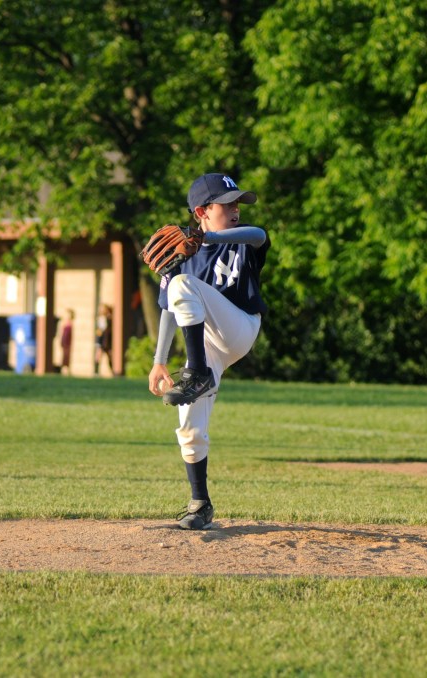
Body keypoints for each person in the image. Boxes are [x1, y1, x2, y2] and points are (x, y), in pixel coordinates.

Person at [147, 172, 269, 529]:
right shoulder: (180, 257)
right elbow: (170, 306)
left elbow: (259, 235)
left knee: (184, 284)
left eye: (237, 204)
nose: (236, 210)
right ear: (201, 209)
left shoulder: (241, 240)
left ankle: (197, 372)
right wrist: (159, 362)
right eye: (227, 204)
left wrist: (209, 237)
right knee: (188, 424)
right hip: (206, 344)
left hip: (240, 327)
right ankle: (200, 503)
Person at [94, 304, 113, 375]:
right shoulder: (101, 319)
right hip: (101, 340)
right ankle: (96, 372)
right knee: (98, 356)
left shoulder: (109, 318)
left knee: (110, 356)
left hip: (107, 341)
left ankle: (113, 371)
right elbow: (100, 330)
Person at [59, 309, 75, 374]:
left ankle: (66, 369)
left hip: (67, 343)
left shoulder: (70, 324)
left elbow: (67, 335)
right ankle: (64, 369)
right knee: (65, 356)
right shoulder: (66, 323)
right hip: (65, 342)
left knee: (67, 356)